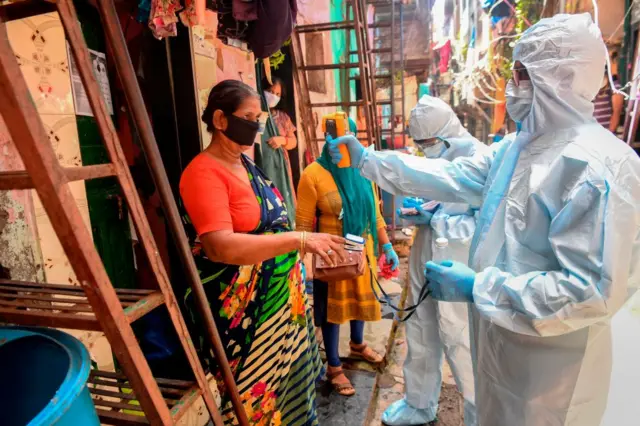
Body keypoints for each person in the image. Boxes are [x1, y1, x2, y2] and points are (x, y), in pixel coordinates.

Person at [326, 14, 640, 426]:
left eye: (521, 74)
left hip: (553, 375)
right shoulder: (516, 148)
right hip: (497, 338)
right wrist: (369, 159)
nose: (512, 86)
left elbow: (590, 291)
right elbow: (450, 177)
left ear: (557, 77)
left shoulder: (603, 167)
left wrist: (480, 287)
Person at [179, 80, 347, 425]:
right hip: (245, 317)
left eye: (259, 117)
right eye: (248, 116)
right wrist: (298, 241)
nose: (256, 125)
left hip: (283, 308)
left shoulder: (245, 165)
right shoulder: (203, 172)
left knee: (290, 397)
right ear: (221, 120)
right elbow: (220, 246)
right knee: (254, 403)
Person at [382, 96, 480, 426]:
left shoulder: (480, 159)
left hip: (460, 268)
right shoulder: (435, 161)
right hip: (427, 257)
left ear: (447, 132)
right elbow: (437, 202)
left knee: (462, 339)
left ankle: (480, 413)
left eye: (429, 143)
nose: (425, 149)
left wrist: (435, 220)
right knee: (421, 331)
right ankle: (419, 403)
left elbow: (487, 224)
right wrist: (421, 209)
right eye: (419, 144)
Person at [296, 138, 399, 397]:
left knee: (359, 301)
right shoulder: (313, 174)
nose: (342, 149)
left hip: (362, 250)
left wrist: (387, 247)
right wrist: (304, 260)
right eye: (337, 141)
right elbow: (304, 224)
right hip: (331, 255)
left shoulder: (364, 171)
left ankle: (357, 344)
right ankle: (333, 366)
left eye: (348, 141)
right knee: (332, 309)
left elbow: (374, 214)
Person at [255, 77, 297, 222]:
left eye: (278, 94)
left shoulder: (283, 117)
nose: (274, 96)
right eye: (270, 91)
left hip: (281, 165)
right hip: (262, 163)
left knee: (282, 193)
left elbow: (294, 142)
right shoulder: (256, 115)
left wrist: (283, 140)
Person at [593, 61, 623, 133]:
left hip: (605, 135)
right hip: (591, 136)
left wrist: (608, 136)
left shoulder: (615, 87)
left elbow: (616, 114)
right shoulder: (589, 87)